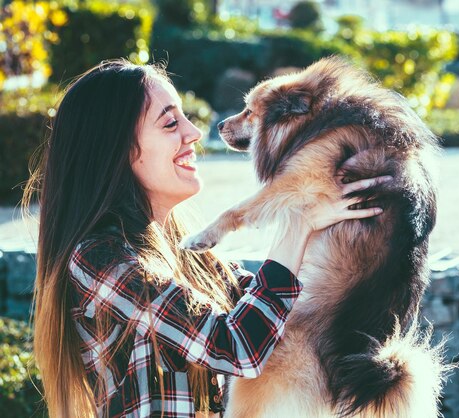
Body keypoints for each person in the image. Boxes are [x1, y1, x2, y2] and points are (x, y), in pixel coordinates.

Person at [23, 59, 388, 418]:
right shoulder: (99, 260)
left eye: (184, 117)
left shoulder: (191, 256)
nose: (194, 133)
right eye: (170, 123)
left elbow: (282, 312)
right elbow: (237, 347)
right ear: (118, 150)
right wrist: (299, 221)